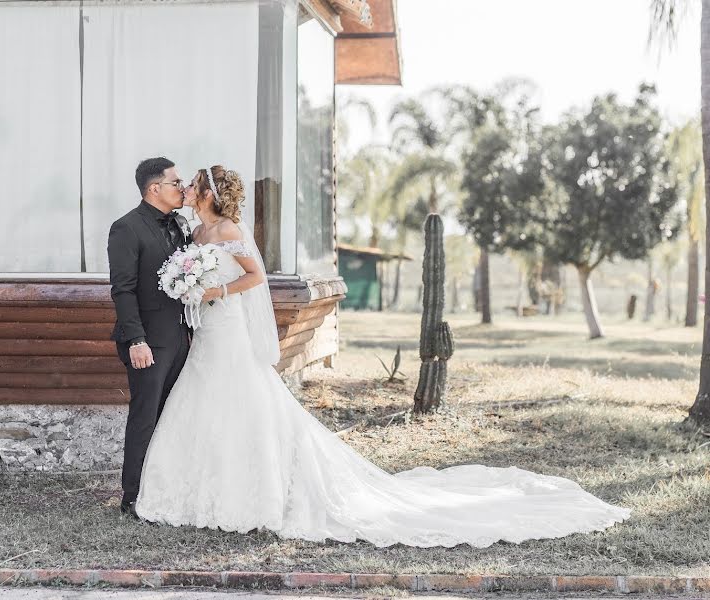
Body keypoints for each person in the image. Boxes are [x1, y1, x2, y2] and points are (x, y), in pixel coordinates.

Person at [133, 164, 630, 548]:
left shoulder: (228, 234)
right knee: (206, 404)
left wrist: (214, 292)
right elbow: (190, 272)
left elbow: (254, 279)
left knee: (241, 403)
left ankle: (252, 494)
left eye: (193, 185)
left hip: (229, 330)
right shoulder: (194, 234)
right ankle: (194, 492)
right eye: (185, 185)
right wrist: (189, 285)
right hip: (206, 336)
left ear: (208, 195)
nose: (187, 191)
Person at [107, 157, 192, 520]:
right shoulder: (126, 228)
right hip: (149, 343)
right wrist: (136, 340)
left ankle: (169, 488)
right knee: (145, 416)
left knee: (175, 417)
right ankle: (134, 496)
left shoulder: (181, 224)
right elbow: (122, 290)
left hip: (183, 339)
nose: (182, 187)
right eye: (176, 182)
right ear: (154, 189)